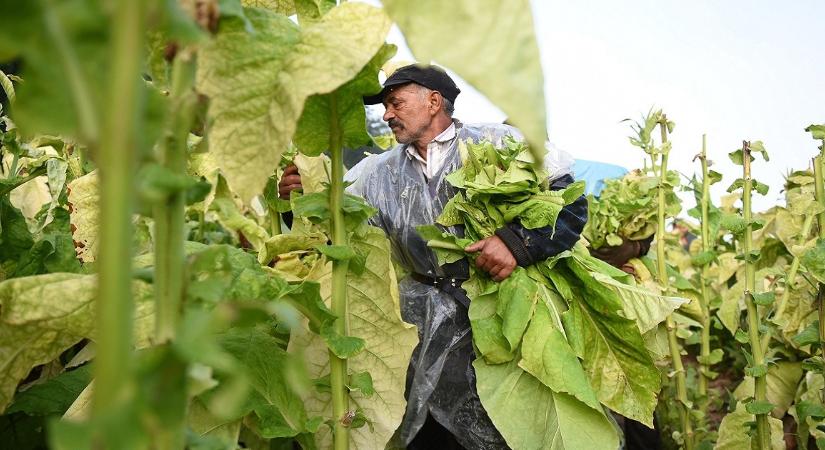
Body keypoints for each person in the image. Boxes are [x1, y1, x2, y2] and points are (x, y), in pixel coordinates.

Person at [279, 64, 588, 449]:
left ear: (433, 101)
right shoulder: (378, 171)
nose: (387, 114)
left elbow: (569, 204)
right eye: (385, 107)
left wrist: (516, 243)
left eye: (395, 103)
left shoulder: (494, 142)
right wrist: (299, 197)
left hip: (499, 312)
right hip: (420, 316)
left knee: (503, 424)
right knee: (425, 423)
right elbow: (337, 221)